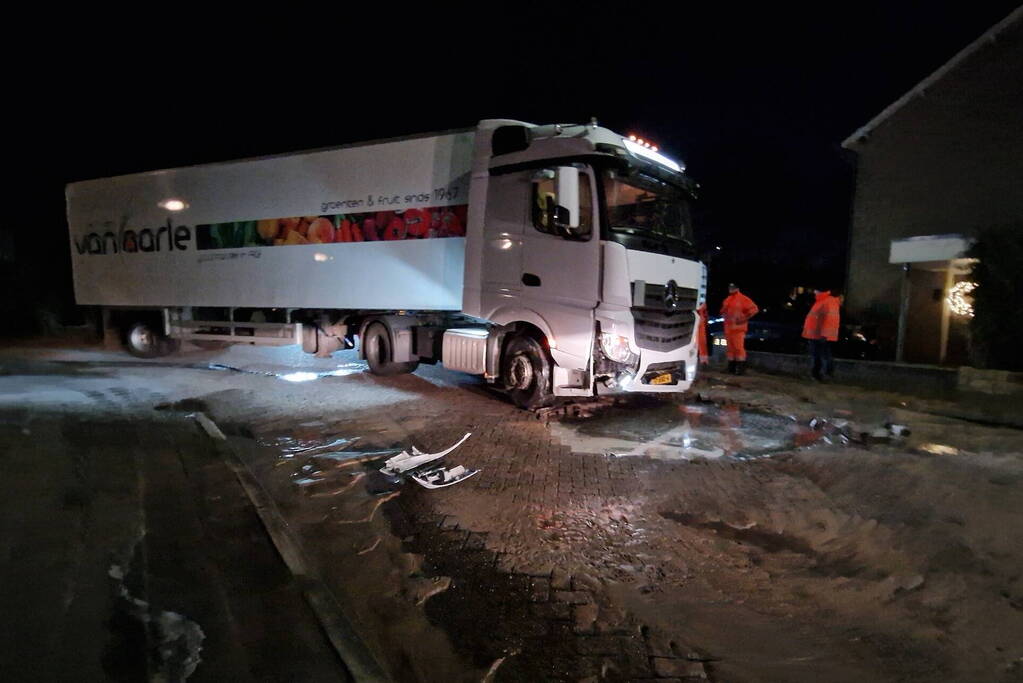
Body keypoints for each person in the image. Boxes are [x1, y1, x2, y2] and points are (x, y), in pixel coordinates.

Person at [802, 286, 841, 381]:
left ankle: (822, 375)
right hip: (817, 335)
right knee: (820, 355)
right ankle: (819, 374)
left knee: (821, 355)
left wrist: (824, 335)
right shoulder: (822, 301)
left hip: (820, 335)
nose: (814, 292)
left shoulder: (826, 301)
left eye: (816, 290)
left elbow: (830, 319)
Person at [720, 283, 759, 375]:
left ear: (737, 288)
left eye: (732, 287)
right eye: (730, 287)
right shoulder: (728, 299)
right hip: (728, 329)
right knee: (730, 349)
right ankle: (731, 369)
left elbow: (754, 309)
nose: (730, 289)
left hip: (738, 329)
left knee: (738, 348)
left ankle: (741, 369)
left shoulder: (743, 299)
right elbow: (723, 311)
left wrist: (744, 318)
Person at [696, 302, 710, 367]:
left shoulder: (703, 304)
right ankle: (703, 361)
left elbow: (705, 314)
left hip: (699, 325)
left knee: (701, 344)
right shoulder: (703, 305)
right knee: (701, 344)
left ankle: (703, 361)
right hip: (698, 324)